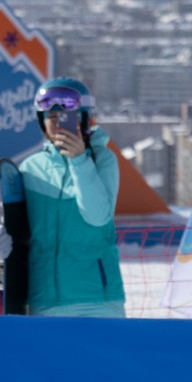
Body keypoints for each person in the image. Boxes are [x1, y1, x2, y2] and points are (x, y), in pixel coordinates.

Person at [19, 77, 125, 316]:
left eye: (66, 118)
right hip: (44, 299)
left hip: (97, 299)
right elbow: (21, 227)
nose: (58, 125)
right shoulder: (30, 168)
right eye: (51, 119)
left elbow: (97, 217)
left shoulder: (102, 159)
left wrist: (79, 161)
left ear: (84, 119)